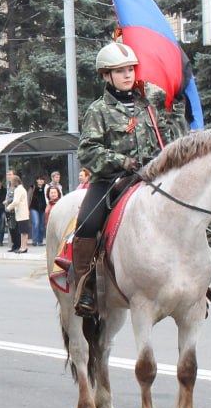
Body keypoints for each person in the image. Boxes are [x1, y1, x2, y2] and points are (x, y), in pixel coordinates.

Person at [72, 42, 172, 316]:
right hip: (112, 180)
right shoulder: (98, 110)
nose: (128, 75)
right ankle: (86, 287)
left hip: (152, 177)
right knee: (87, 223)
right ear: (106, 75)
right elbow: (88, 150)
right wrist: (122, 161)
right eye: (120, 71)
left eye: (130, 69)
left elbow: (168, 138)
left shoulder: (148, 107)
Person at [3, 171, 30, 253]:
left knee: (22, 232)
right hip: (22, 213)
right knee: (22, 231)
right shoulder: (22, 189)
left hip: (20, 213)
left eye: (12, 181)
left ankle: (23, 247)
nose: (11, 182)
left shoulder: (18, 190)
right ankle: (22, 246)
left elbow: (16, 201)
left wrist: (8, 208)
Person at [29, 174, 48, 247]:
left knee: (42, 225)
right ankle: (34, 240)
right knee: (36, 223)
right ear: (37, 180)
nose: (41, 181)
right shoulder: (33, 187)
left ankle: (40, 241)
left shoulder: (46, 188)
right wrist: (28, 207)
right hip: (34, 208)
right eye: (39, 179)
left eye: (42, 179)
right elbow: (29, 197)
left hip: (43, 208)